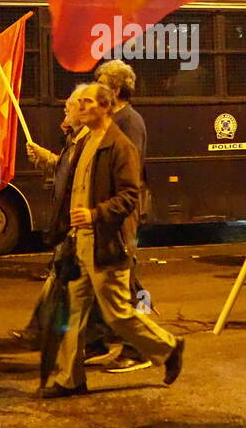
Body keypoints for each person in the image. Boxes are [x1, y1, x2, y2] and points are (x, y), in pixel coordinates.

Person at [41, 83, 183, 398]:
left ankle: (169, 348)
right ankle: (70, 379)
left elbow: (130, 196)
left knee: (118, 314)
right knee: (73, 312)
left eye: (87, 102)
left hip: (105, 243)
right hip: (79, 243)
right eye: (79, 102)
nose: (80, 107)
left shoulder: (120, 146)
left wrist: (94, 214)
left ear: (105, 107)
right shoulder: (84, 141)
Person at [12, 86, 92, 349]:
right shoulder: (74, 141)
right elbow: (64, 170)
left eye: (68, 109)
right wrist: (44, 158)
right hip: (69, 224)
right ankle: (46, 332)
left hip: (78, 226)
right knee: (61, 280)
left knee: (66, 282)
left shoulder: (88, 141)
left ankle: (50, 335)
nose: (64, 114)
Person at [92, 59, 154, 373]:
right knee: (105, 274)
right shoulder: (115, 119)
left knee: (124, 277)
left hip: (122, 212)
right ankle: (97, 338)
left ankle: (139, 347)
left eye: (101, 83)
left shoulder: (128, 122)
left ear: (115, 89)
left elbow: (127, 175)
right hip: (111, 209)